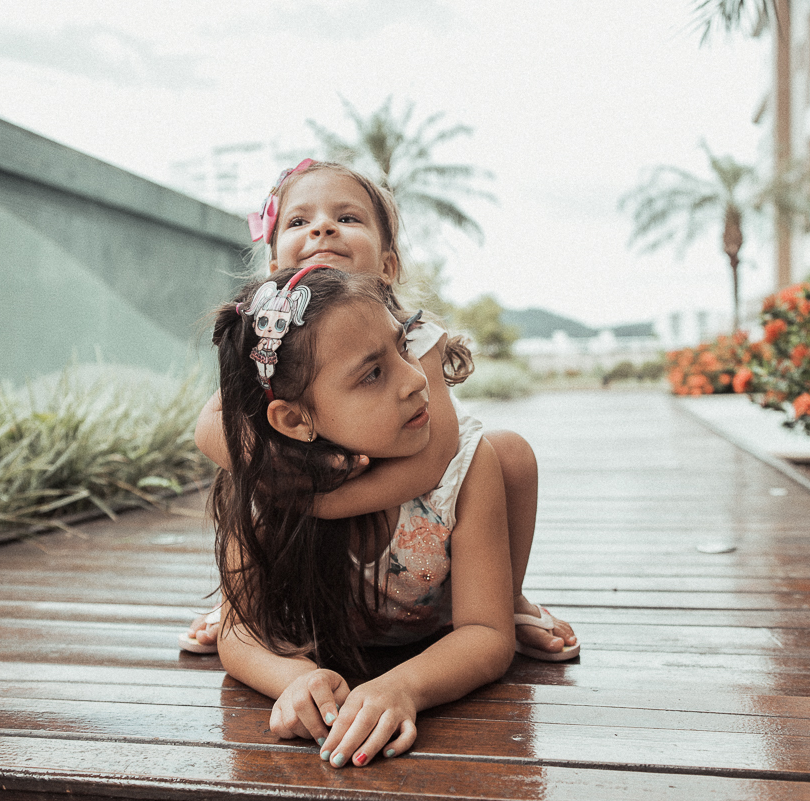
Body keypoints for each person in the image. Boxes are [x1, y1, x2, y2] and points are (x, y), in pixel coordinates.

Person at [182, 160, 578, 661]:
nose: (323, 227)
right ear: (275, 272)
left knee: (509, 453)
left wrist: (320, 503)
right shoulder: (272, 358)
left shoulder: (415, 337)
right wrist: (273, 472)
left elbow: (434, 459)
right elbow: (210, 426)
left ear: (387, 266)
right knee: (247, 478)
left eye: (347, 218)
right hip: (318, 527)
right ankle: (244, 603)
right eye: (299, 222)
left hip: (414, 522)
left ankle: (503, 598)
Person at [210, 264, 515, 767]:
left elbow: (486, 634)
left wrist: (404, 686)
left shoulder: (461, 470)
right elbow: (239, 633)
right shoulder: (265, 491)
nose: (416, 379)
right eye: (372, 373)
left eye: (402, 348)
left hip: (433, 645)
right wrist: (293, 679)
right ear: (294, 418)